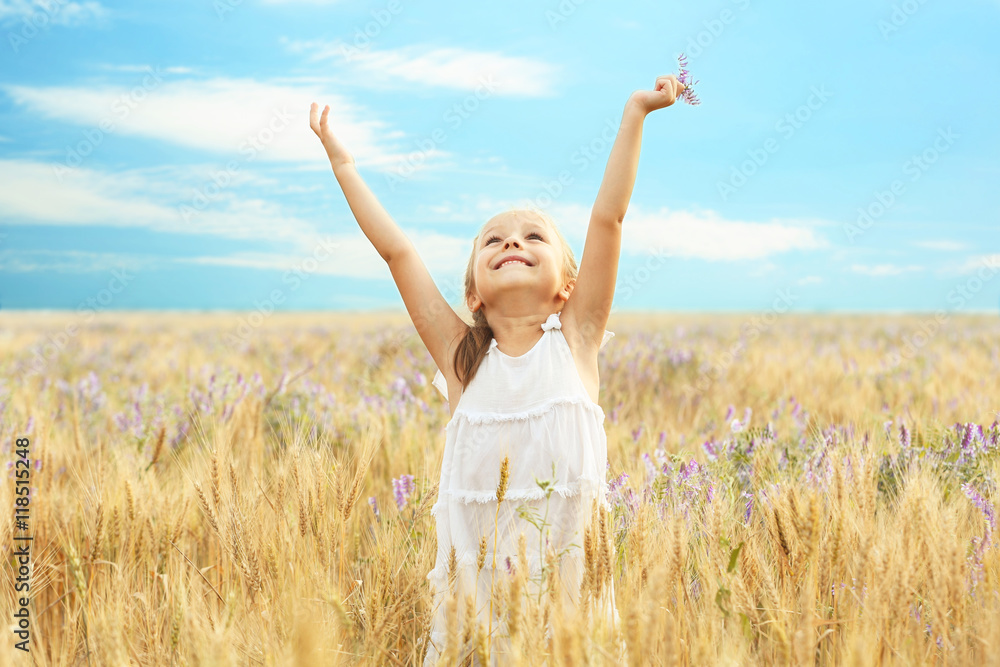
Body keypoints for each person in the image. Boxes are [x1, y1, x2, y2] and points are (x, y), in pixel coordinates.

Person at [309, 71, 688, 665]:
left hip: (569, 612)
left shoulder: (577, 341)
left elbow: (608, 219)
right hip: (476, 615)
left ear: (568, 286)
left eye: (533, 236)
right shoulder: (462, 360)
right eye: (493, 241)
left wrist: (635, 112)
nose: (512, 242)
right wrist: (344, 165)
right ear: (473, 295)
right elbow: (397, 252)